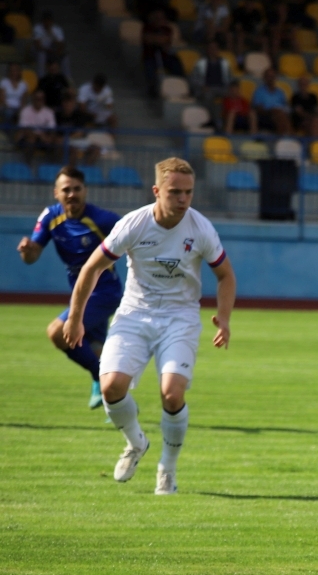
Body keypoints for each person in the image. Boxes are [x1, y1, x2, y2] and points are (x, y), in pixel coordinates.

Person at [64, 158, 236, 494]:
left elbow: (226, 275)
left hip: (180, 317)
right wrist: (75, 317)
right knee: (112, 386)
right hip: (134, 314)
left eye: (188, 192)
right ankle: (135, 442)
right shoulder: (134, 224)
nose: (183, 199)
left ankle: (167, 470)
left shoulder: (200, 228)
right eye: (175, 192)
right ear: (157, 191)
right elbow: (91, 268)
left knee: (172, 394)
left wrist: (224, 318)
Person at [15, 167, 122, 408]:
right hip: (80, 292)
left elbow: (134, 236)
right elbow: (31, 258)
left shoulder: (103, 219)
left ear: (86, 191)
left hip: (104, 292)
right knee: (95, 351)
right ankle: (116, 404)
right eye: (66, 189)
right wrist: (28, 251)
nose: (72, 194)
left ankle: (100, 379)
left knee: (58, 332)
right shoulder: (50, 217)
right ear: (56, 193)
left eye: (76, 189)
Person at [17, 91, 59, 163]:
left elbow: (52, 129)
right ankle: (27, 166)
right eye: (37, 98)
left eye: (41, 99)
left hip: (43, 138)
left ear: (44, 100)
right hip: (28, 137)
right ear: (33, 99)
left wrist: (49, 137)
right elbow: (24, 129)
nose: (39, 101)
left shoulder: (49, 112)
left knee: (57, 141)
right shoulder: (25, 111)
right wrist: (39, 135)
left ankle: (53, 168)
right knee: (31, 139)